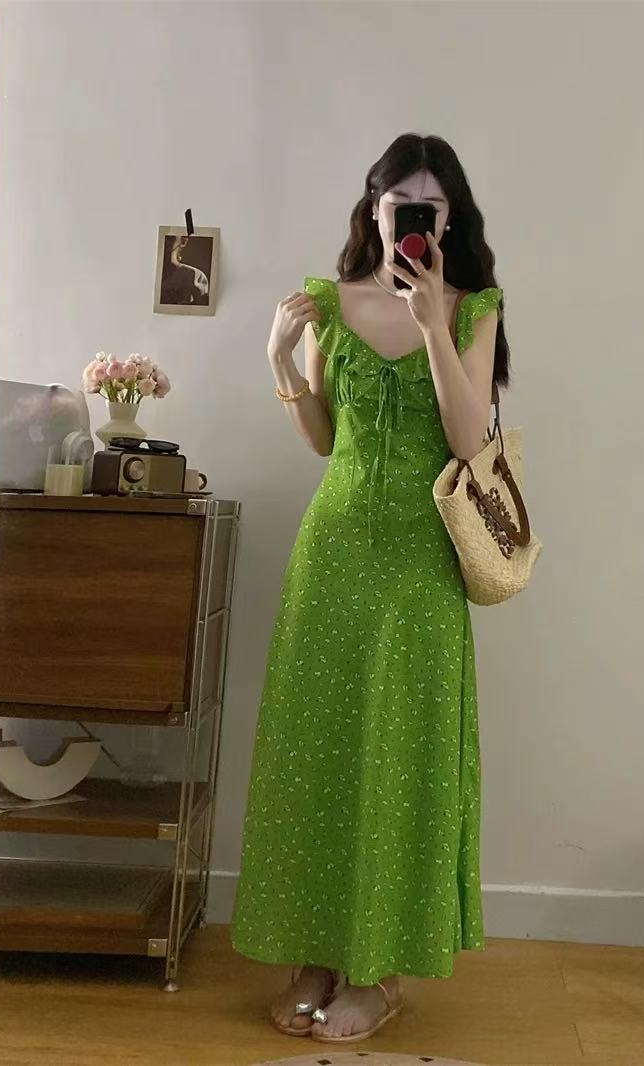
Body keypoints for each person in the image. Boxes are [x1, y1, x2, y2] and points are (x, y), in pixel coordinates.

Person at [230, 132, 510, 1045]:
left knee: (398, 753)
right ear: (375, 209)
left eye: (431, 205)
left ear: (450, 218)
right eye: (400, 204)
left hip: (421, 564)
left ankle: (378, 971)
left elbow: (469, 441)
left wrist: (432, 325)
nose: (413, 218)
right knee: (317, 749)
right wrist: (280, 360)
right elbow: (323, 440)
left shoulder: (474, 309)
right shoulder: (326, 303)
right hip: (335, 551)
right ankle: (316, 956)